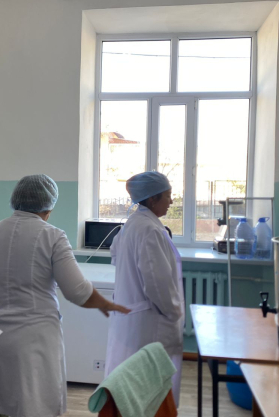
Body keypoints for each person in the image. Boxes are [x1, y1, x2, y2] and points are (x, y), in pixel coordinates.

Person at [0, 174, 130, 417]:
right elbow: (77, 291)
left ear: (15, 200)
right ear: (49, 208)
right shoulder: (53, 236)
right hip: (33, 343)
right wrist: (105, 303)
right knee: (33, 407)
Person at [105, 171, 185, 406]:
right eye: (168, 196)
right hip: (149, 323)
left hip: (134, 318)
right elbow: (157, 285)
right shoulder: (149, 229)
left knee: (134, 389)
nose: (171, 201)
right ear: (152, 199)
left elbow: (116, 257)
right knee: (148, 392)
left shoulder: (133, 224)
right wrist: (174, 313)